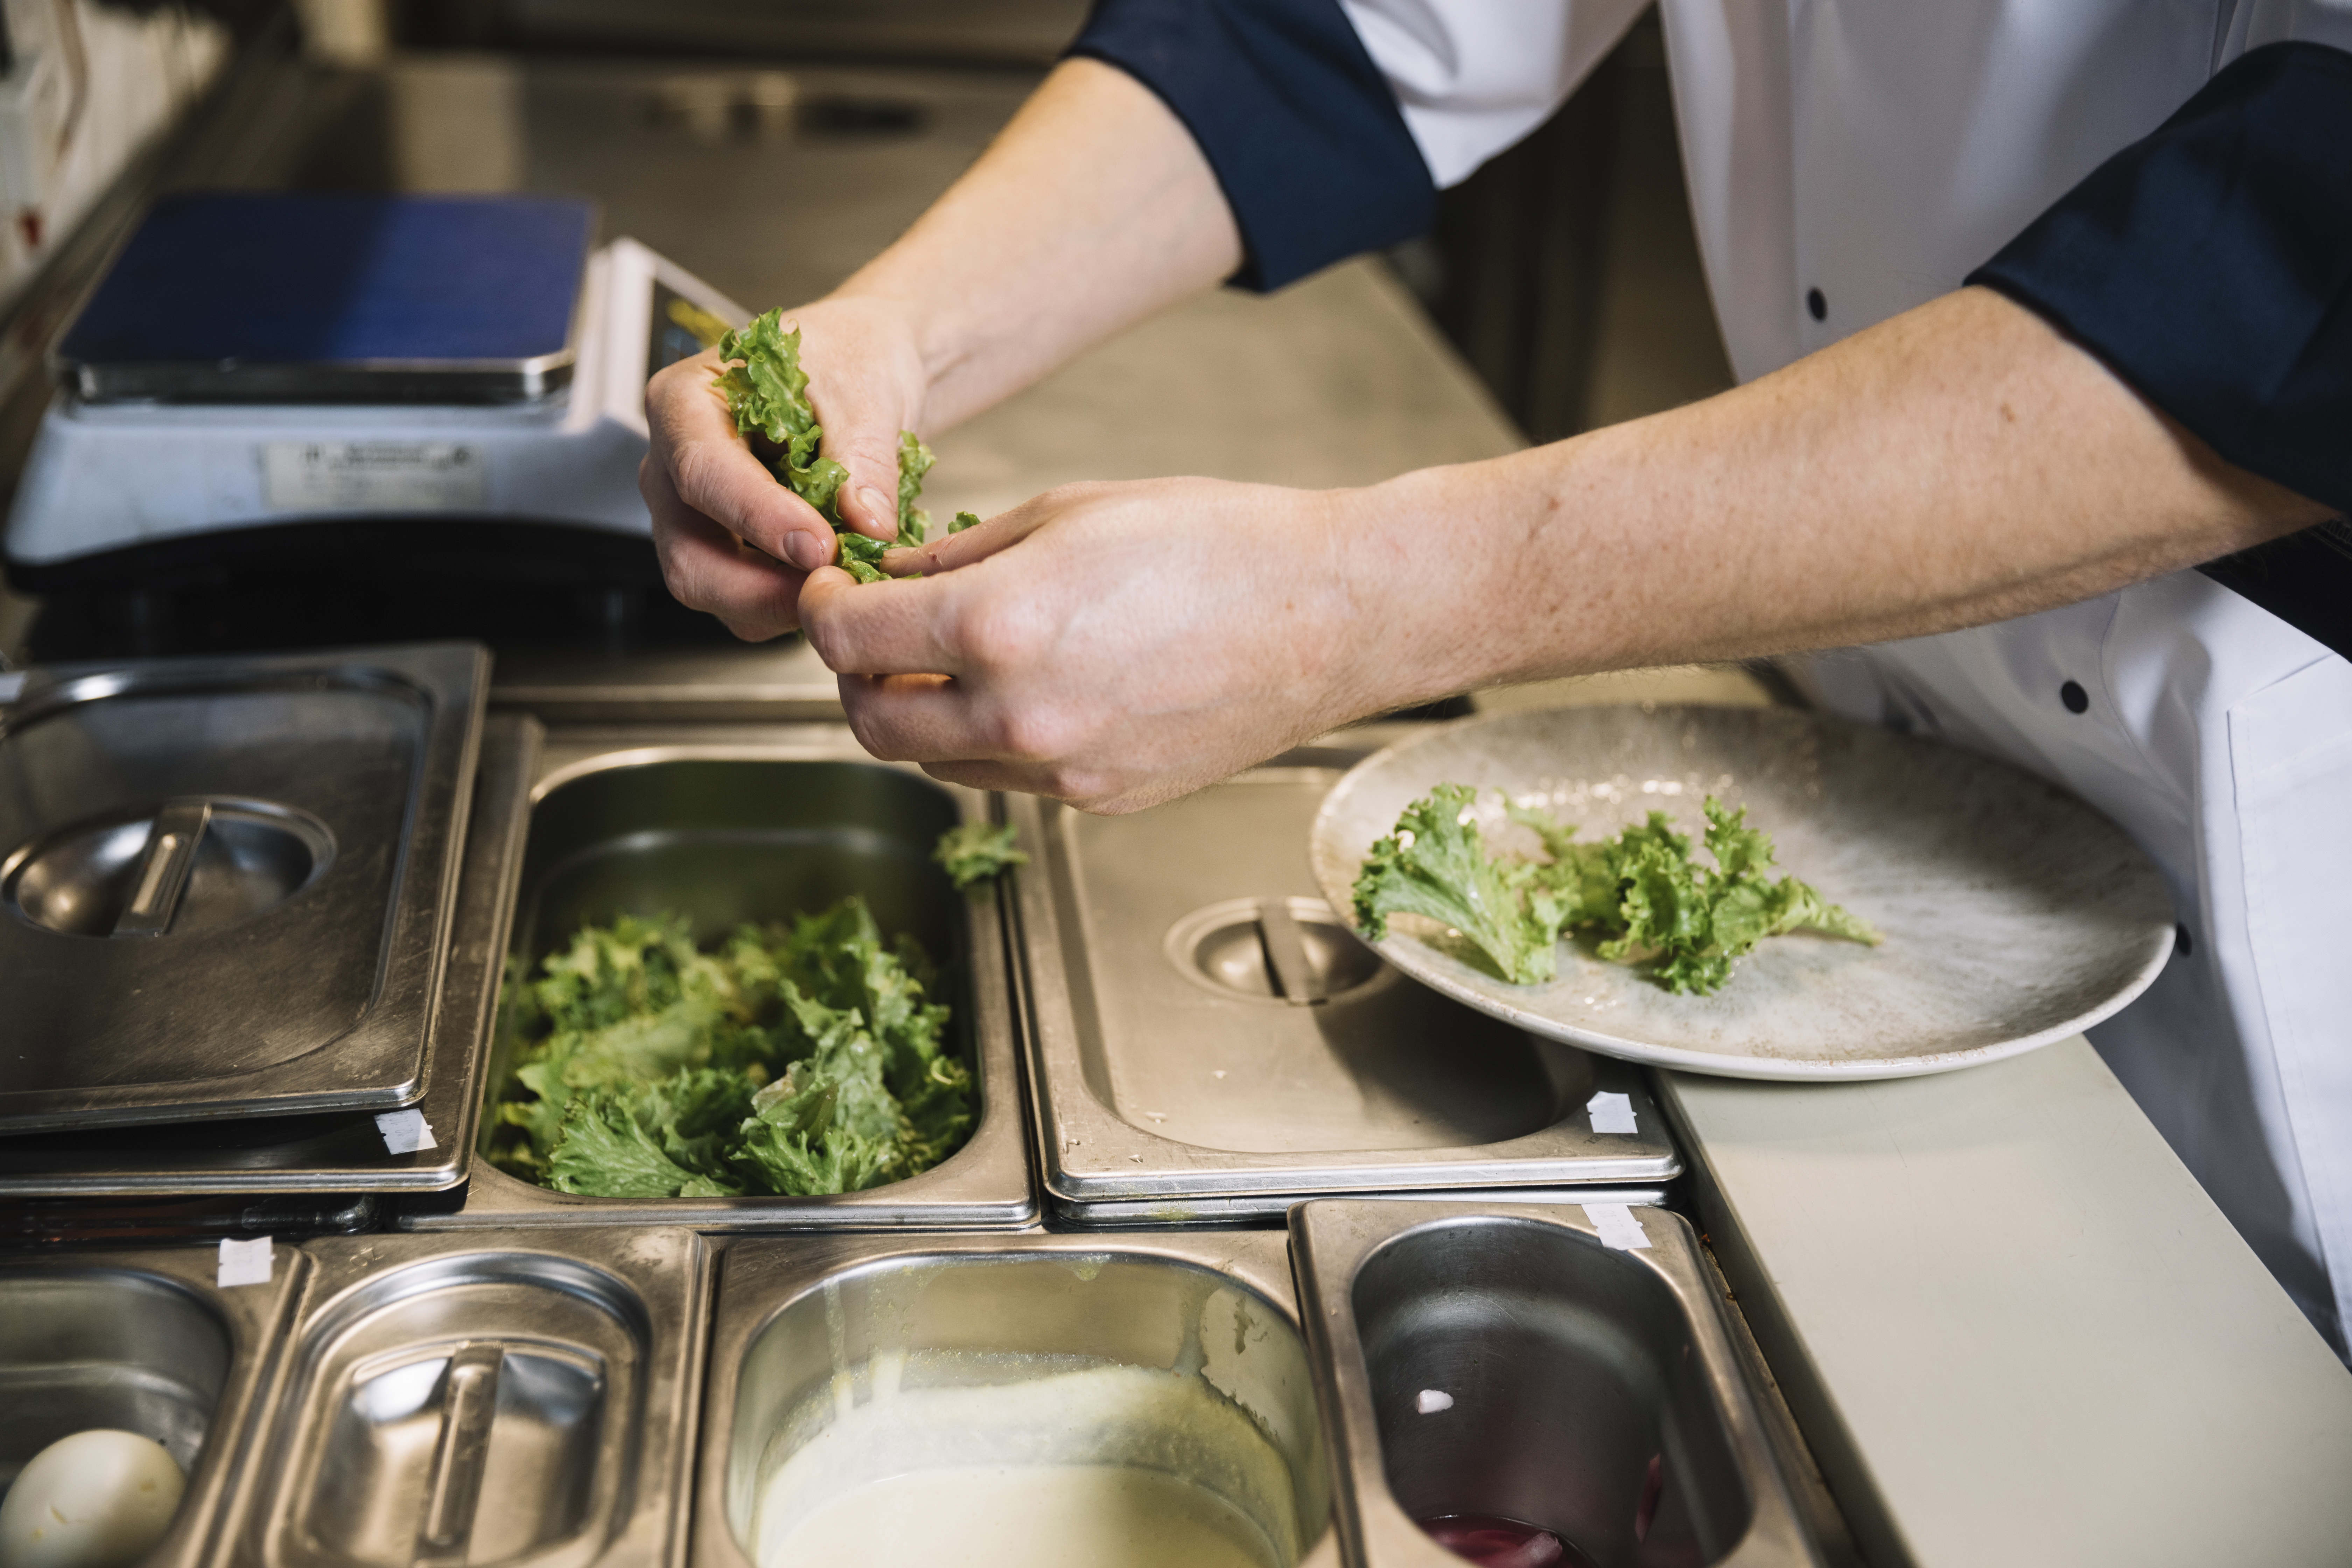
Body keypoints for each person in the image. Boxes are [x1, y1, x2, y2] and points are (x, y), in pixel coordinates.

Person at [640, 1, 2352, 1352]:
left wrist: (1351, 604)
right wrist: (892, 334)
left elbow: (2293, 284)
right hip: (1870, 836)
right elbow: (1338, 29)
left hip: (2284, 915)